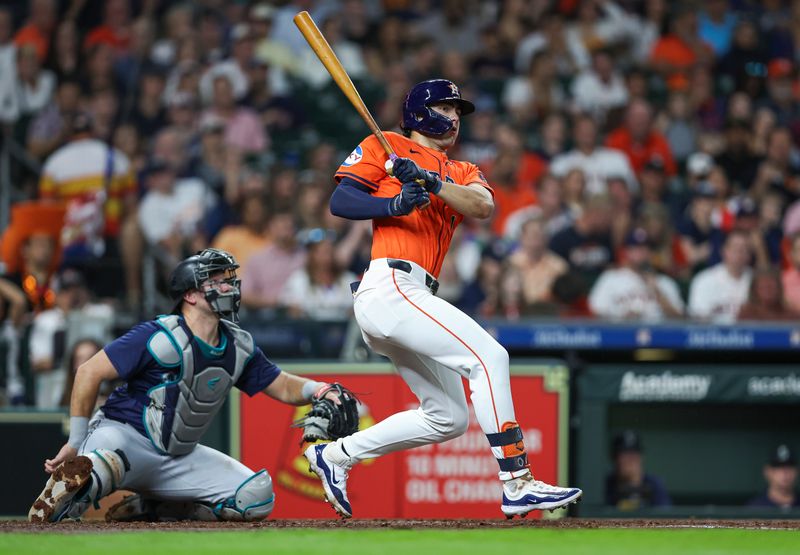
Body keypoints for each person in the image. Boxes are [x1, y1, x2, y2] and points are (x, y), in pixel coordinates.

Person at [311, 79, 582, 519]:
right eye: (446, 107)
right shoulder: (388, 144)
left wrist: (429, 182)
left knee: (448, 417)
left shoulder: (462, 171)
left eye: (458, 111)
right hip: (390, 283)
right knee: (489, 356)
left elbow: (481, 207)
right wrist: (395, 203)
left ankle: (337, 455)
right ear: (420, 111)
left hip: (410, 295)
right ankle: (517, 481)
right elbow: (342, 200)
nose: (454, 117)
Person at [29, 248, 348, 522]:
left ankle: (153, 506)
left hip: (178, 456)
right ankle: (63, 505)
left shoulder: (238, 345)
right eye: (218, 280)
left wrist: (317, 390)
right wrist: (75, 441)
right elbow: (87, 372)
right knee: (95, 468)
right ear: (191, 294)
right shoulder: (158, 335)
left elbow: (280, 384)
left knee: (256, 497)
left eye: (229, 279)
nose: (229, 287)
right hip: (123, 437)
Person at [589, 228, 685, 322]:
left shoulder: (664, 282)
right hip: (620, 334)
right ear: (626, 252)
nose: (641, 253)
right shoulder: (610, 278)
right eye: (636, 248)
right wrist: (621, 318)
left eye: (645, 248)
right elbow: (596, 314)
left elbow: (680, 319)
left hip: (658, 334)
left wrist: (658, 293)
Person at [605, 430, 671, 510]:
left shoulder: (654, 485)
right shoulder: (606, 486)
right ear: (614, 458)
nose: (630, 459)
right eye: (624, 454)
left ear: (641, 457)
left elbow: (664, 516)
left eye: (634, 453)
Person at [748, 445, 800, 509]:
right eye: (778, 467)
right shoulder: (755, 508)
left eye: (789, 466)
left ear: (797, 471)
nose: (784, 472)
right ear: (767, 471)